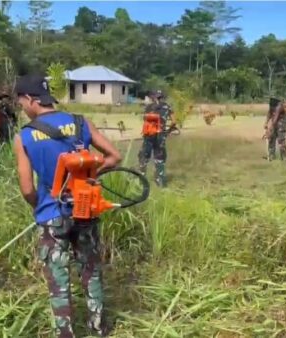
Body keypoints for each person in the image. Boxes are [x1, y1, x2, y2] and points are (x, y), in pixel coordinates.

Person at [12, 74, 122, 338]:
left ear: (31, 100)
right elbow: (114, 156)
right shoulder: (80, 122)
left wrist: (39, 207)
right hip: (85, 209)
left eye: (21, 103)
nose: (22, 108)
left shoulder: (24, 136)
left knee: (58, 279)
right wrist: (90, 177)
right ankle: (99, 329)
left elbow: (27, 188)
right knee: (91, 269)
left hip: (52, 215)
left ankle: (65, 333)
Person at [138, 90, 176, 187]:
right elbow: (174, 122)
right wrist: (167, 131)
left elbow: (145, 120)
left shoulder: (149, 107)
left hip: (149, 135)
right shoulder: (168, 107)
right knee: (160, 158)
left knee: (144, 157)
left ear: (153, 97)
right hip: (160, 135)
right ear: (162, 97)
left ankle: (141, 180)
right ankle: (160, 181)